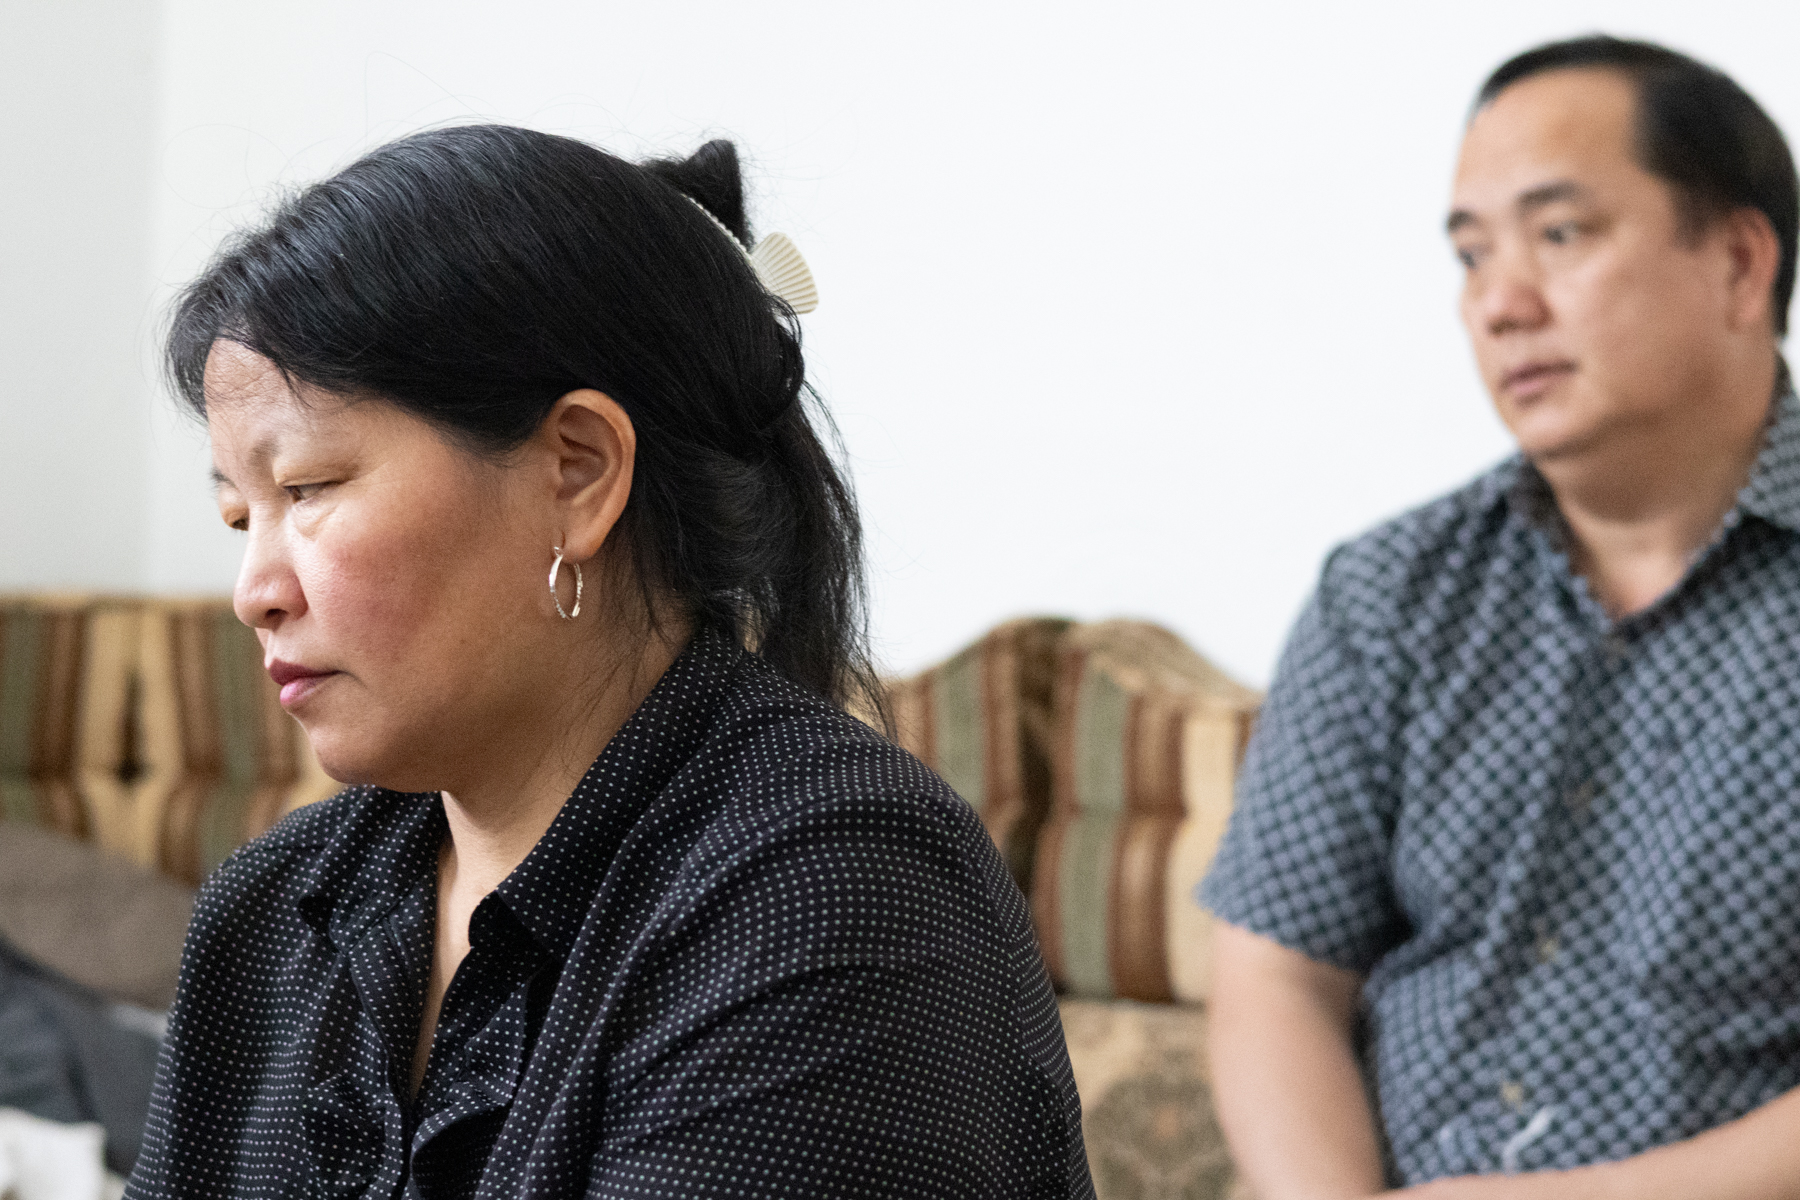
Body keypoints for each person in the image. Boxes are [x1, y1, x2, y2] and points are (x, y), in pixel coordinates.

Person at [125, 127, 1093, 1200]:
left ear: (578, 473)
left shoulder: (828, 892)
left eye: (307, 488)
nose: (253, 591)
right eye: (238, 515)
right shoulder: (268, 911)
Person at [1201, 35, 1800, 1199]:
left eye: (1560, 235)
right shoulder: (1387, 595)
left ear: (1739, 263)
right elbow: (1277, 978)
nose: (1500, 304)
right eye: (1471, 255)